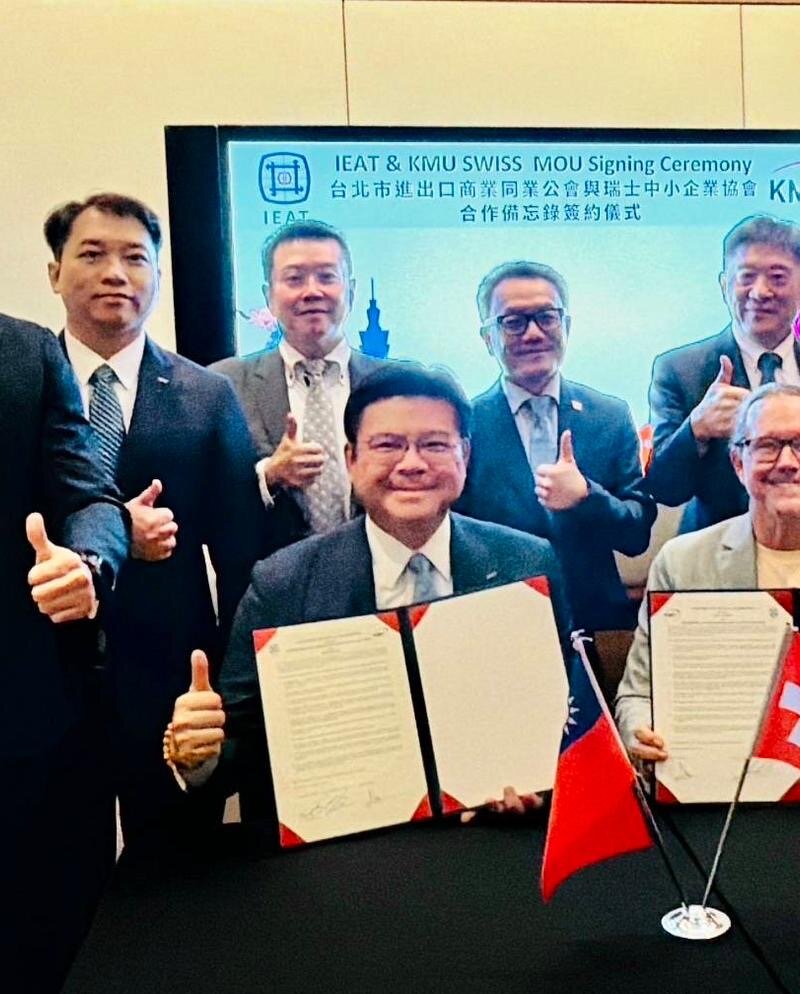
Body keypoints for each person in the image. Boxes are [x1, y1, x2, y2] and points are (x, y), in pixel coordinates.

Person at [167, 364, 572, 830]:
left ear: (464, 455)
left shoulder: (527, 564)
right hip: (342, 847)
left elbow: (564, 716)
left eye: (434, 444)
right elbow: (238, 746)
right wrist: (198, 751)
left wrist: (541, 780)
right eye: (388, 445)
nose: (412, 464)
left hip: (493, 835)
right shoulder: (283, 584)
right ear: (351, 458)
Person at [45, 192, 266, 844]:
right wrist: (115, 534)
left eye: (136, 258)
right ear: (54, 272)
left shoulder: (207, 395)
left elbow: (242, 558)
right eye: (92, 254)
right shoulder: (21, 385)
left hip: (170, 677)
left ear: (158, 277)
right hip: (41, 675)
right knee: (51, 866)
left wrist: (228, 687)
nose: (116, 273)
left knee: (178, 870)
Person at [0, 313, 128, 993]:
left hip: (25, 720)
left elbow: (91, 497)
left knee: (45, 947)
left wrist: (87, 564)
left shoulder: (24, 352)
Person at [457, 260, 655, 632]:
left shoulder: (609, 415)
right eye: (513, 322)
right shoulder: (464, 424)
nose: (533, 333)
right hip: (497, 621)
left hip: (597, 624)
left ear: (566, 326)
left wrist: (587, 497)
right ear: (487, 338)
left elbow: (636, 534)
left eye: (546, 317)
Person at [616, 383, 800, 762]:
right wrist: (639, 732)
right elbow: (639, 694)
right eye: (767, 445)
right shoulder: (683, 564)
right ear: (738, 464)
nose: (787, 462)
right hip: (714, 777)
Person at [212, 219, 388, 555]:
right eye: (294, 279)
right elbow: (201, 499)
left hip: (380, 578)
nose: (312, 291)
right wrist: (268, 476)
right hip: (264, 579)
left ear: (351, 290)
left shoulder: (394, 385)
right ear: (269, 296)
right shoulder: (223, 386)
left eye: (326, 277)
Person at [645, 214, 800, 534]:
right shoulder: (680, 370)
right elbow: (664, 489)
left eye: (777, 277)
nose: (760, 291)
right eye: (746, 277)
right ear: (724, 286)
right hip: (716, 548)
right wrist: (697, 428)